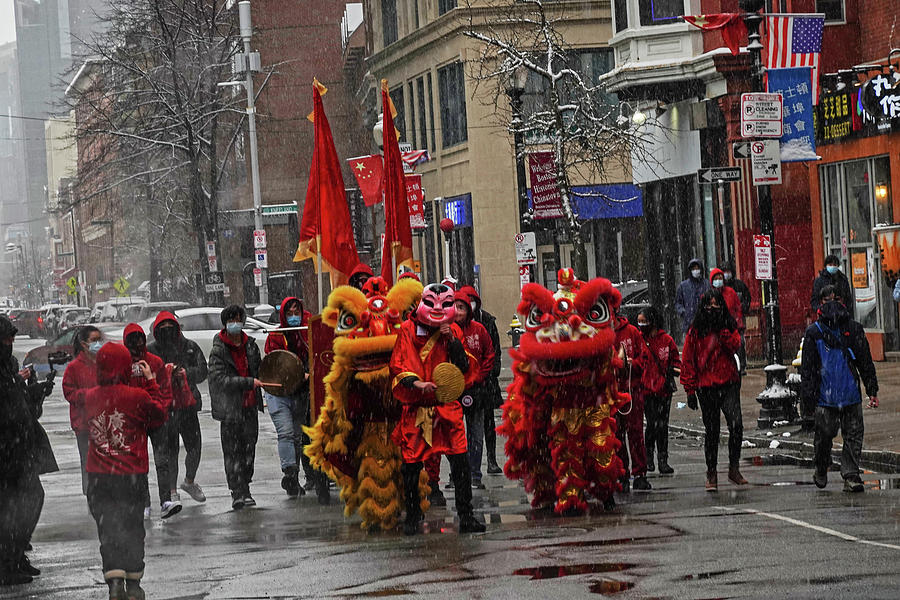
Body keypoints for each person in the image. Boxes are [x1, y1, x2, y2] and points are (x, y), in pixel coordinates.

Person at [390, 283, 486, 535]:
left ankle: (466, 515)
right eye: (431, 303)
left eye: (445, 304)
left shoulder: (453, 330)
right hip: (418, 407)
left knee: (460, 461)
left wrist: (452, 340)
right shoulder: (408, 330)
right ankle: (413, 514)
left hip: (447, 406)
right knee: (411, 464)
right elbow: (399, 363)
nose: (437, 309)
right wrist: (416, 382)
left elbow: (463, 366)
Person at [83, 342, 167, 600]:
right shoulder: (137, 397)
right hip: (131, 477)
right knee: (132, 527)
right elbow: (160, 413)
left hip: (99, 477)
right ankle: (133, 582)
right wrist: (152, 381)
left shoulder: (89, 397)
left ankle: (114, 579)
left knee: (108, 529)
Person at [800, 285, 878, 493]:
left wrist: (872, 389)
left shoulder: (853, 329)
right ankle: (821, 465)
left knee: (853, 434)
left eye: (835, 299)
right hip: (825, 397)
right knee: (824, 436)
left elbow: (865, 361)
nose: (831, 304)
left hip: (850, 393)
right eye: (826, 300)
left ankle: (851, 474)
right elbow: (807, 371)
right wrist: (808, 400)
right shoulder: (814, 333)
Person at [0, 315, 57, 586]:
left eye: (12, 337)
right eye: (6, 338)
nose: (11, 342)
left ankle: (15, 556)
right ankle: (7, 562)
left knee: (30, 499)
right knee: (15, 506)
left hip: (19, 449)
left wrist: (37, 391)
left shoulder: (7, 369)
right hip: (6, 452)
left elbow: (22, 406)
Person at [263, 297, 329, 504]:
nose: (293, 316)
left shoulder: (308, 330)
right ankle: (290, 473)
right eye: (289, 313)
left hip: (302, 392)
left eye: (296, 312)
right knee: (285, 433)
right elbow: (273, 363)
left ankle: (302, 475)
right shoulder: (275, 335)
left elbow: (319, 355)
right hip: (279, 392)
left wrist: (308, 374)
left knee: (299, 436)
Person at [680, 289, 747, 491]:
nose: (712, 309)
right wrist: (690, 389)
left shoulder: (727, 325)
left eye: (716, 304)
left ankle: (733, 468)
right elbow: (688, 360)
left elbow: (735, 345)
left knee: (736, 425)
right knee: (712, 431)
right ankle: (712, 472)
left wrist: (723, 331)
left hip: (728, 383)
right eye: (708, 305)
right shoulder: (696, 330)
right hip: (706, 387)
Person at [147, 312, 207, 504]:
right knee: (170, 451)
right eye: (162, 328)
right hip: (165, 409)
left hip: (188, 406)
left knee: (195, 447)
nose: (167, 332)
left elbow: (202, 371)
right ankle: (172, 490)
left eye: (170, 327)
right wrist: (165, 373)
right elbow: (148, 377)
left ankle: (189, 481)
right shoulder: (152, 351)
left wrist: (184, 373)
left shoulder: (190, 347)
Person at [208, 305, 264, 510]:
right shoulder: (218, 349)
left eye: (238, 319)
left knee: (249, 450)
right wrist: (247, 383)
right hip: (230, 410)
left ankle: (246, 487)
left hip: (249, 408)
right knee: (232, 453)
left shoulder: (251, 346)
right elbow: (219, 379)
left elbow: (260, 370)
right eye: (231, 319)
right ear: (225, 323)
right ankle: (237, 492)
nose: (235, 323)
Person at [123, 323, 180, 519]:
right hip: (135, 422)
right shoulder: (124, 365)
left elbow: (165, 390)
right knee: (139, 464)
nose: (137, 344)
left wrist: (161, 408)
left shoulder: (154, 362)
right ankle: (144, 502)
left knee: (162, 461)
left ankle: (165, 500)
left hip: (156, 420)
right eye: (133, 340)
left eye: (140, 339)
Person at [453, 290, 496, 490]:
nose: (458, 311)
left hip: (476, 391)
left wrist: (480, 376)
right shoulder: (446, 331)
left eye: (462, 307)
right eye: (455, 306)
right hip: (453, 392)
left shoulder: (479, 330)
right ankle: (457, 476)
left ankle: (475, 474)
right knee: (455, 435)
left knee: (476, 434)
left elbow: (490, 354)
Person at [458, 285, 503, 475]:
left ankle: (489, 461)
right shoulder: (450, 326)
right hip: (459, 386)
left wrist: (487, 375)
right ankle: (461, 469)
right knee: (459, 429)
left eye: (468, 302)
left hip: (485, 385)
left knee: (486, 425)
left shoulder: (486, 322)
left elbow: (493, 352)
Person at [637, 306, 680, 476]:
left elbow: (676, 361)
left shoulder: (667, 341)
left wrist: (673, 369)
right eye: (639, 322)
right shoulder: (639, 340)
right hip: (647, 390)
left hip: (663, 390)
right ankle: (649, 458)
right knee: (652, 425)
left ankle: (663, 460)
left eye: (644, 321)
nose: (641, 325)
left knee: (663, 426)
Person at [62, 325, 103, 495]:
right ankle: (90, 494)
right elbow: (69, 393)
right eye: (94, 340)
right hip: (84, 425)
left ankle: (103, 494)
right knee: (87, 462)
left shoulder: (103, 362)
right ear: (84, 344)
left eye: (99, 340)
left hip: (103, 422)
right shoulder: (74, 367)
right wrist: (90, 395)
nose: (98, 344)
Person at [614, 311, 651, 491]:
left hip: (632, 390)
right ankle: (621, 474)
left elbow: (643, 359)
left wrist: (630, 364)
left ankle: (639, 473)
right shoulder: (601, 334)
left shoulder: (632, 332)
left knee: (636, 433)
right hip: (612, 392)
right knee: (616, 435)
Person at [674, 258, 709, 337]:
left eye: (697, 268)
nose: (696, 271)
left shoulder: (706, 284)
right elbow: (677, 303)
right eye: (693, 269)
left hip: (705, 325)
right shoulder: (683, 286)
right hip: (688, 325)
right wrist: (684, 312)